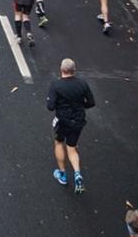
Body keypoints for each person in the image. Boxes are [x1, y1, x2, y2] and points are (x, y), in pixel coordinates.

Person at [46, 58, 95, 194]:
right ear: (74, 70)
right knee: (72, 148)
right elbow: (91, 102)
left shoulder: (56, 85)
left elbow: (50, 106)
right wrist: (80, 107)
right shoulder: (82, 84)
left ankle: (62, 175)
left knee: (59, 143)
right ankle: (77, 173)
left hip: (63, 121)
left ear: (61, 70)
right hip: (78, 121)